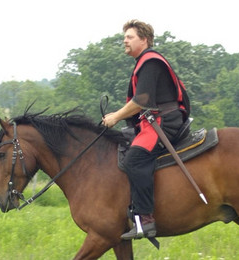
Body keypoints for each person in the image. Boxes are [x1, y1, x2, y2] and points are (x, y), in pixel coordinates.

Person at [102, 19, 190, 240]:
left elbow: (141, 101)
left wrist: (115, 117)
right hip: (152, 121)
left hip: (164, 123)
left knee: (134, 160)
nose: (125, 40)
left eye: (130, 37)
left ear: (144, 40)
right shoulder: (143, 62)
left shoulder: (150, 61)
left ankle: (146, 220)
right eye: (125, 37)